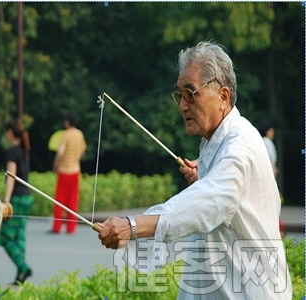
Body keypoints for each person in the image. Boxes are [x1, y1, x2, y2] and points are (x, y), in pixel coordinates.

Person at [97, 41, 292, 299]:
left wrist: (131, 226)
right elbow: (218, 199)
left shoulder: (239, 148)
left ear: (223, 96)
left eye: (191, 93)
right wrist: (205, 179)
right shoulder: (215, 142)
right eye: (179, 94)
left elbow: (207, 203)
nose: (182, 105)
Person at [0, 119, 33, 285]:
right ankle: (20, 277)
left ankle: (23, 267)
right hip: (27, 197)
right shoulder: (24, 149)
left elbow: (11, 176)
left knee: (5, 238)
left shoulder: (13, 151)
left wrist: (6, 200)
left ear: (11, 132)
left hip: (16, 198)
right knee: (20, 237)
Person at [50, 112, 87, 234]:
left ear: (67, 122)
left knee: (60, 200)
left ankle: (57, 226)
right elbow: (83, 149)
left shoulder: (65, 135)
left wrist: (56, 164)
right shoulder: (79, 134)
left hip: (64, 171)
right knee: (73, 200)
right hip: (76, 170)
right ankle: (71, 228)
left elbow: (61, 152)